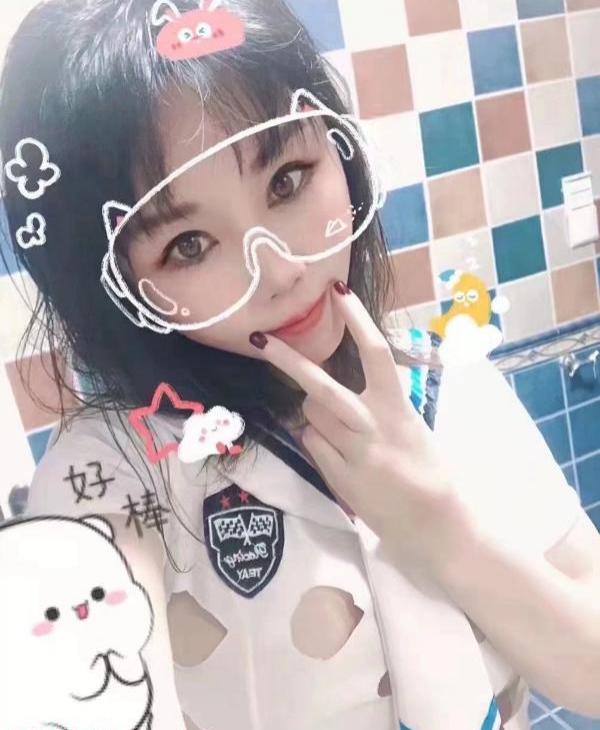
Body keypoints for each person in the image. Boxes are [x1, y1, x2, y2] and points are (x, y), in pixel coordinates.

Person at [1, 1, 599, 728]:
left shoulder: (447, 384)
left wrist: (443, 532)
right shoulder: (123, 463)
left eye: (287, 179)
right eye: (189, 245)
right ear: (119, 286)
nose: (281, 271)